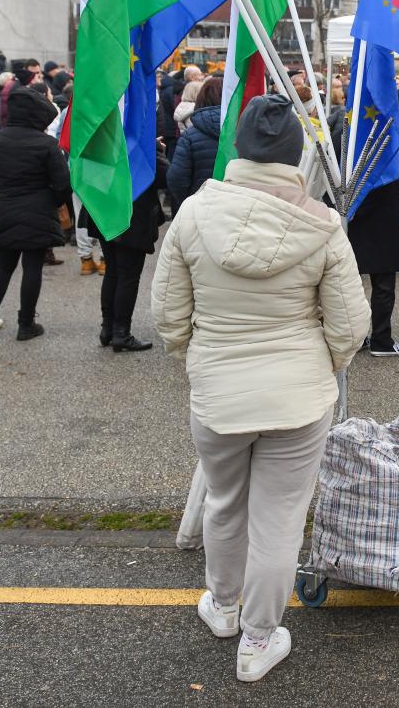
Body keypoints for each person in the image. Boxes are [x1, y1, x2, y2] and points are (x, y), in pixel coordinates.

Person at [151, 94, 370, 683]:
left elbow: (169, 315)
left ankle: (222, 607)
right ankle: (258, 640)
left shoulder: (195, 213)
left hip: (219, 391)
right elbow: (351, 326)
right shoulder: (323, 224)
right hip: (298, 398)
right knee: (279, 519)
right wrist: (319, 365)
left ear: (239, 148)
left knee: (226, 503)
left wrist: (198, 361)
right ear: (295, 156)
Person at [0, 86, 69, 341]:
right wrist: (52, 201)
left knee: (3, 267)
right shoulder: (47, 144)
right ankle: (26, 324)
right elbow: (62, 184)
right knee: (32, 267)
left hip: (4, 208)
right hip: (39, 210)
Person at [332, 111, 399, 357]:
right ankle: (381, 339)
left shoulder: (342, 133)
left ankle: (355, 337)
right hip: (381, 214)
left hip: (354, 213)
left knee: (347, 282)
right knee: (382, 282)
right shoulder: (386, 130)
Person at [88, 151, 168, 351]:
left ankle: (108, 329)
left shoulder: (109, 135)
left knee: (113, 272)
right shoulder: (141, 144)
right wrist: (157, 151)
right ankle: (120, 333)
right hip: (133, 215)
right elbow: (165, 176)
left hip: (106, 211)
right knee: (127, 275)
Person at [165, 75, 223, 214]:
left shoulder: (189, 136)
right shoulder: (243, 133)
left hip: (198, 209)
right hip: (234, 211)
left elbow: (176, 178)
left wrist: (189, 203)